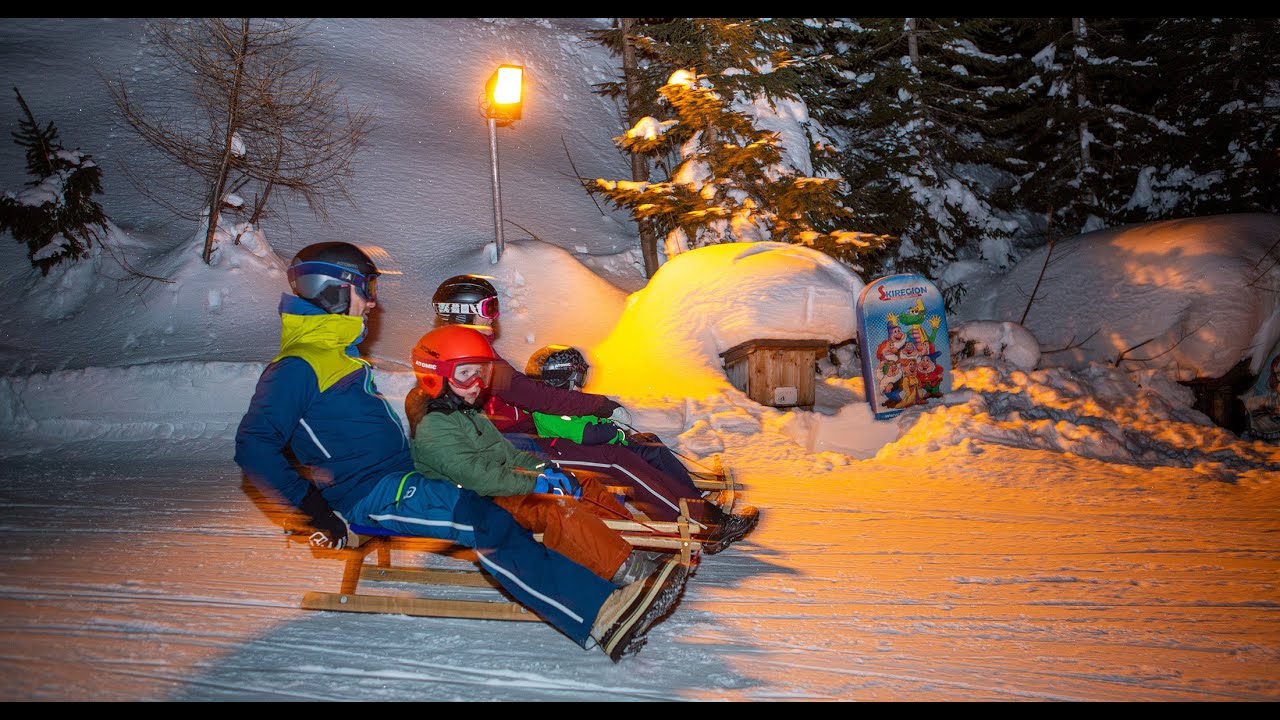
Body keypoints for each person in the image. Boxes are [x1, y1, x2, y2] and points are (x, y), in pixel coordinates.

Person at [234, 242, 689, 662]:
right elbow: (255, 446)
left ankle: (607, 573)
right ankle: (600, 616)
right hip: (369, 495)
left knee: (506, 507)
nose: (372, 302)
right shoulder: (296, 367)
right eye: (365, 289)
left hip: (402, 477)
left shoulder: (337, 356)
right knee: (483, 520)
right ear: (332, 291)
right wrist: (314, 511)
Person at [407, 274, 757, 553]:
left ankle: (699, 507)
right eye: (488, 308)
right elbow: (538, 397)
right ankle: (701, 526)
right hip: (519, 445)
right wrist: (598, 405)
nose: (494, 318)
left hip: (530, 435)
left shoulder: (476, 352)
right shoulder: (462, 359)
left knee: (641, 445)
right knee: (615, 460)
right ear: (461, 311)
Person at [407, 324, 665, 586]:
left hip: (496, 488)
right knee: (555, 508)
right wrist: (537, 483)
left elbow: (509, 454)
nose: (476, 384)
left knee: (583, 485)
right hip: (471, 500)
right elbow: (479, 477)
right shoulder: (433, 424)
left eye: (481, 373)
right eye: (465, 374)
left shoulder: (467, 410)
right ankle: (623, 569)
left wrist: (549, 469)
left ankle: (632, 544)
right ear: (433, 376)